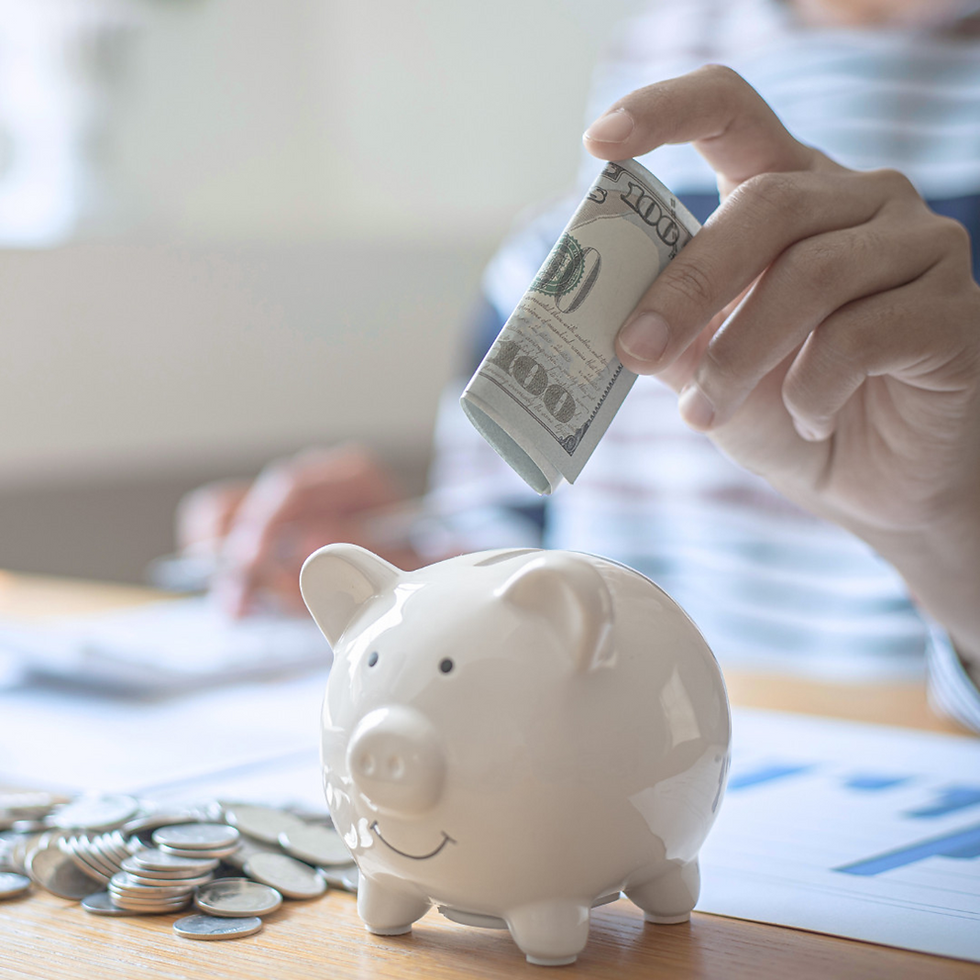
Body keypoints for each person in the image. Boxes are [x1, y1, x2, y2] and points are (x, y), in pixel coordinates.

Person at [178, 0, 980, 732]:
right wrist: (413, 565)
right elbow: (522, 529)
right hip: (610, 777)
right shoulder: (650, 63)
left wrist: (951, 528)